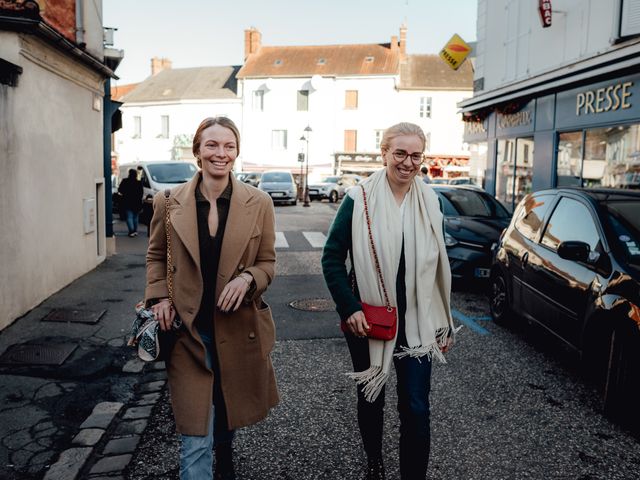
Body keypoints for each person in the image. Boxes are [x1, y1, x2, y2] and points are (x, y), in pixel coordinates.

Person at [145, 116, 279, 480]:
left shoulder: (260, 202)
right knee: (195, 436)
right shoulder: (168, 202)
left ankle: (226, 454)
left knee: (226, 407)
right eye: (212, 145)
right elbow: (156, 255)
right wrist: (159, 298)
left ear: (236, 152)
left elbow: (268, 261)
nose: (221, 154)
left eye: (229, 146)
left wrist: (249, 278)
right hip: (188, 332)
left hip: (238, 330)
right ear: (197, 151)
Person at [322, 122, 457, 480]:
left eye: (415, 155)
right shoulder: (359, 198)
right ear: (384, 153)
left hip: (418, 321)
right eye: (400, 153)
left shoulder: (431, 201)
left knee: (416, 405)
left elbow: (438, 265)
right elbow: (332, 257)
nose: (408, 162)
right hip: (369, 319)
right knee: (372, 397)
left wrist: (442, 318)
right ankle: (374, 462)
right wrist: (348, 307)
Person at [118, 168, 143, 237]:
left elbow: (120, 190)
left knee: (129, 217)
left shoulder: (125, 181)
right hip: (137, 202)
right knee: (135, 217)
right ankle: (135, 230)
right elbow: (141, 193)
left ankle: (131, 231)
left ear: (129, 174)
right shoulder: (138, 183)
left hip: (127, 201)